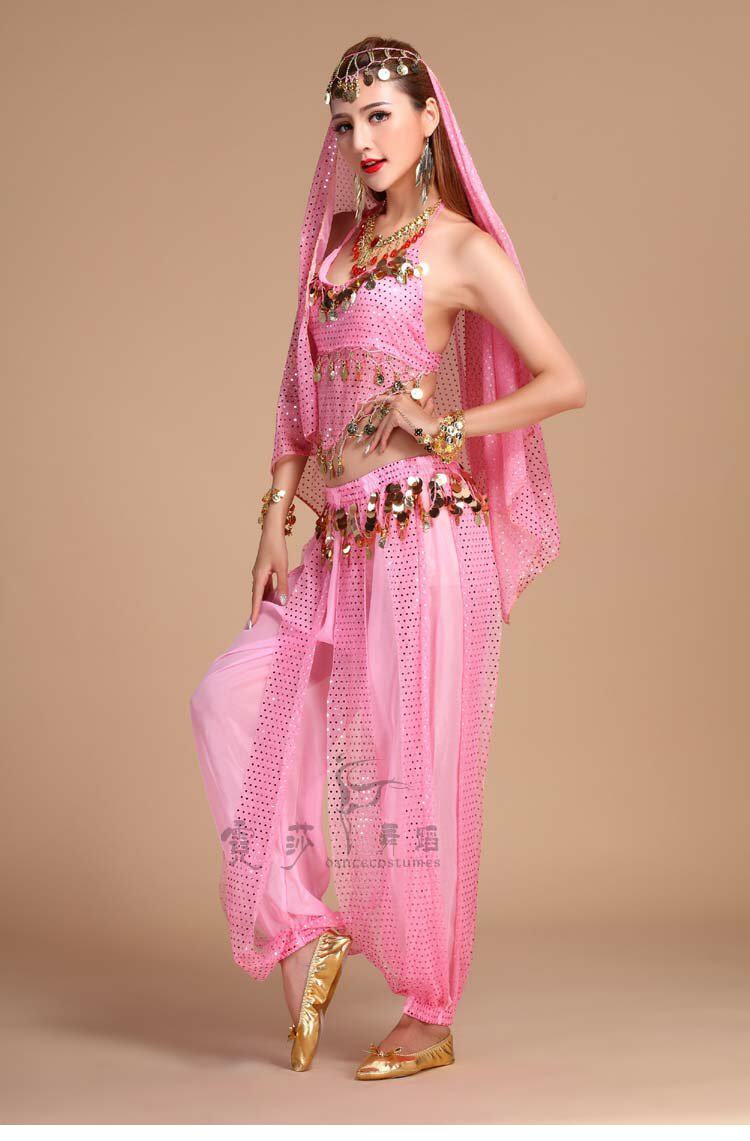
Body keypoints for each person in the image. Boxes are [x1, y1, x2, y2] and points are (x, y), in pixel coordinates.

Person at [189, 36, 586, 1081]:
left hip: (423, 544)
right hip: (335, 544)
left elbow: (562, 378)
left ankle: (430, 1008)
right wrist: (275, 518)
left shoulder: (461, 250)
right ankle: (303, 927)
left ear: (426, 118)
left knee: (411, 773)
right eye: (346, 122)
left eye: (379, 115)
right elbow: (297, 395)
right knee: (231, 699)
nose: (362, 139)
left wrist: (446, 426)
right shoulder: (331, 248)